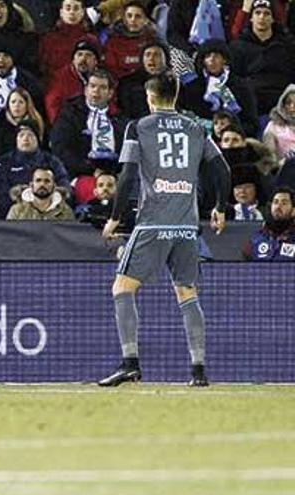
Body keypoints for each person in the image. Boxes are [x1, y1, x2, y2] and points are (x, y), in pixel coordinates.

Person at [98, 71, 231, 388]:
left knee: (122, 288)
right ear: (175, 96)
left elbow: (128, 173)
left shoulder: (139, 127)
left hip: (154, 223)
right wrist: (221, 208)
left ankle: (130, 363)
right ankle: (198, 371)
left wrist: (115, 217)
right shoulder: (197, 128)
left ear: (150, 96)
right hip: (186, 225)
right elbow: (223, 170)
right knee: (187, 292)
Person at [50, 68, 126, 204]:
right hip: (81, 173)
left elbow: (126, 151)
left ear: (110, 93)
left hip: (115, 174)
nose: (96, 91)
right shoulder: (70, 114)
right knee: (99, 193)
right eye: (92, 86)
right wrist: (91, 169)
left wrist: (115, 173)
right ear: (85, 90)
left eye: (102, 87)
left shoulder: (120, 119)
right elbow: (60, 149)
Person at [179, 40, 259, 138]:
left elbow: (252, 123)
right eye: (208, 56)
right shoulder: (193, 87)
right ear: (203, 61)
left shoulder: (241, 86)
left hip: (236, 138)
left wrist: (231, 131)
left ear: (225, 60)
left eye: (216, 56)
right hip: (201, 138)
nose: (212, 60)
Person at [230, 0, 295, 115]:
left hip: (284, 101)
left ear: (273, 19)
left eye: (266, 13)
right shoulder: (238, 47)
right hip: (251, 102)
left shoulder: (287, 45)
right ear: (251, 18)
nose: (262, 17)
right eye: (258, 13)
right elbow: (235, 79)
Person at [0, 119, 70, 217]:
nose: (25, 138)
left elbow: (64, 187)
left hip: (50, 215)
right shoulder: (4, 162)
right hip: (17, 216)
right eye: (21, 135)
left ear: (38, 138)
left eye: (30, 135)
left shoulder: (52, 161)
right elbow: (0, 195)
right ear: (16, 139)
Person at [38, 0, 98, 82]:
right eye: (68, 8)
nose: (72, 12)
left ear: (83, 12)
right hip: (55, 86)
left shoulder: (91, 40)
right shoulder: (48, 39)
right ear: (61, 12)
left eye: (76, 8)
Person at [117, 40, 170, 121]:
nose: (151, 59)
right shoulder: (127, 83)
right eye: (147, 55)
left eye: (156, 55)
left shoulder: (174, 83)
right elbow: (125, 113)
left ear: (166, 60)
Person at [242, 186, 295, 260]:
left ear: (293, 211)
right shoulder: (256, 239)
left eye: (284, 203)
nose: (278, 206)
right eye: (275, 202)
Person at [6, 166, 75, 220]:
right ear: (31, 185)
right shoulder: (17, 210)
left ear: (54, 186)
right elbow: (9, 236)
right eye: (38, 180)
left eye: (47, 181)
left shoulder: (66, 211)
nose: (42, 184)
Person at [262, 84, 295, 167]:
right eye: (288, 103)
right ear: (282, 105)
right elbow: (270, 162)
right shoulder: (272, 127)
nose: (292, 107)